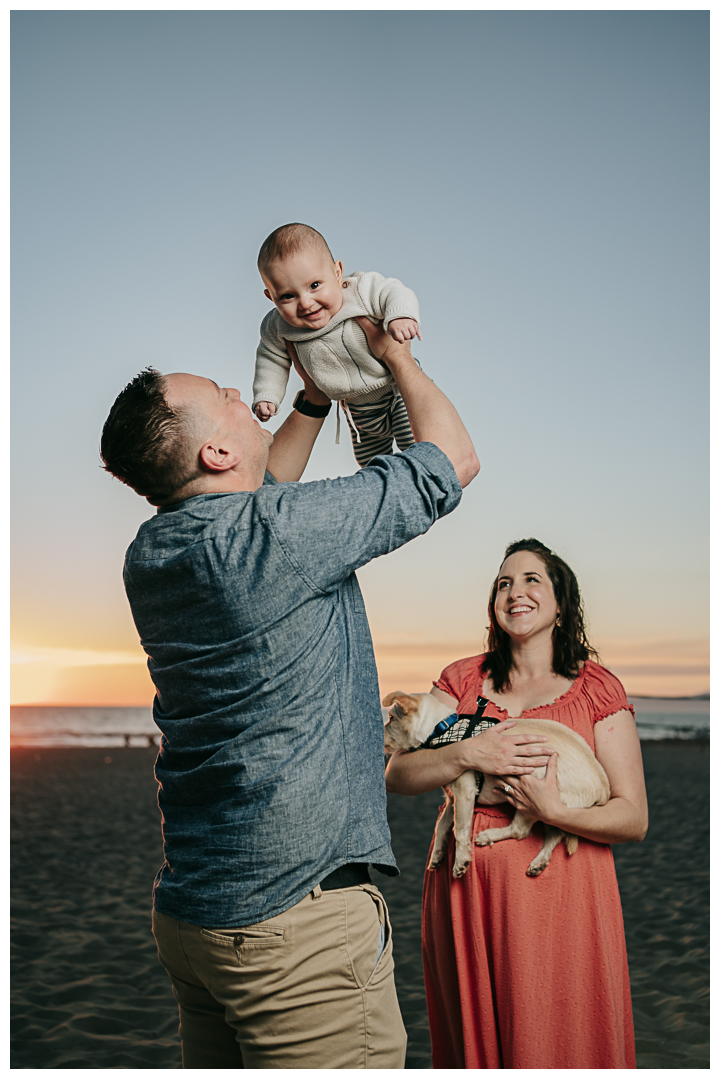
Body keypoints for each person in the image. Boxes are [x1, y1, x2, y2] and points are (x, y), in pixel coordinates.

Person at [99, 319, 479, 1069]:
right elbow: (450, 463)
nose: (241, 391)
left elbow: (256, 493)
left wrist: (308, 398)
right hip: (295, 926)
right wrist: (394, 356)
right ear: (215, 451)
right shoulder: (282, 535)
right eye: (223, 396)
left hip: (196, 916)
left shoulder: (152, 554)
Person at [385, 538, 648, 1069]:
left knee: (560, 1035)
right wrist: (469, 750)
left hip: (565, 899)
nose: (516, 591)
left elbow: (633, 816)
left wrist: (554, 812)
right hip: (468, 895)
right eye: (504, 582)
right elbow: (400, 774)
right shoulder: (461, 681)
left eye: (533, 580)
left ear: (560, 603)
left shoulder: (596, 690)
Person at [253, 222, 421, 467]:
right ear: (270, 296)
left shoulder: (359, 290)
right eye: (288, 296)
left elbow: (393, 291)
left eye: (314, 286)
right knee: (371, 464)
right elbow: (271, 359)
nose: (306, 303)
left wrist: (400, 315)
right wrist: (267, 395)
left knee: (419, 449)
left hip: (398, 392)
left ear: (337, 272)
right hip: (357, 410)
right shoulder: (277, 326)